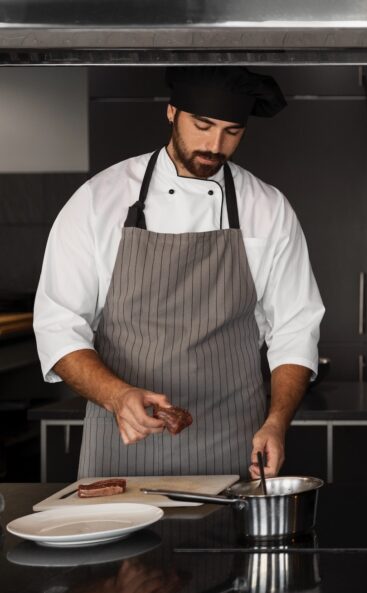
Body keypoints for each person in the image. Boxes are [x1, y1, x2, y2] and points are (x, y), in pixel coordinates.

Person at [33, 67, 324, 479]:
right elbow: (58, 325)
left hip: (232, 441)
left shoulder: (268, 208)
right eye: (202, 126)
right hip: (123, 438)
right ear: (172, 112)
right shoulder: (99, 200)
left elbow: (296, 328)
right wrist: (116, 396)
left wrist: (276, 423)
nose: (214, 145)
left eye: (231, 132)